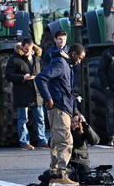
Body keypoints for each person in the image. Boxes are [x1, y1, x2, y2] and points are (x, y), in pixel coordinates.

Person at [36, 43, 86, 185]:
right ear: (73, 54)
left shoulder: (65, 64)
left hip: (62, 106)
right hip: (59, 107)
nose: (80, 61)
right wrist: (48, 98)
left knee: (57, 141)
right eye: (80, 58)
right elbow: (41, 78)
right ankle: (60, 173)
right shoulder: (60, 63)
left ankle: (54, 173)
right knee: (66, 141)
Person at [5, 38, 47, 150]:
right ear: (22, 47)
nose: (27, 51)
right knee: (23, 119)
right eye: (25, 49)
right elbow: (8, 75)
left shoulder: (37, 59)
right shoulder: (14, 59)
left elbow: (42, 73)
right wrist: (23, 77)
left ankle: (42, 140)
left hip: (36, 94)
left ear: (32, 47)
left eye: (29, 49)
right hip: (22, 94)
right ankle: (24, 142)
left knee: (40, 119)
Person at [68, 112, 100, 184]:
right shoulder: (64, 130)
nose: (73, 124)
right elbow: (51, 141)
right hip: (68, 160)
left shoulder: (83, 130)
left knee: (86, 179)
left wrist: (85, 124)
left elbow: (95, 141)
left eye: (76, 121)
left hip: (81, 159)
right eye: (71, 122)